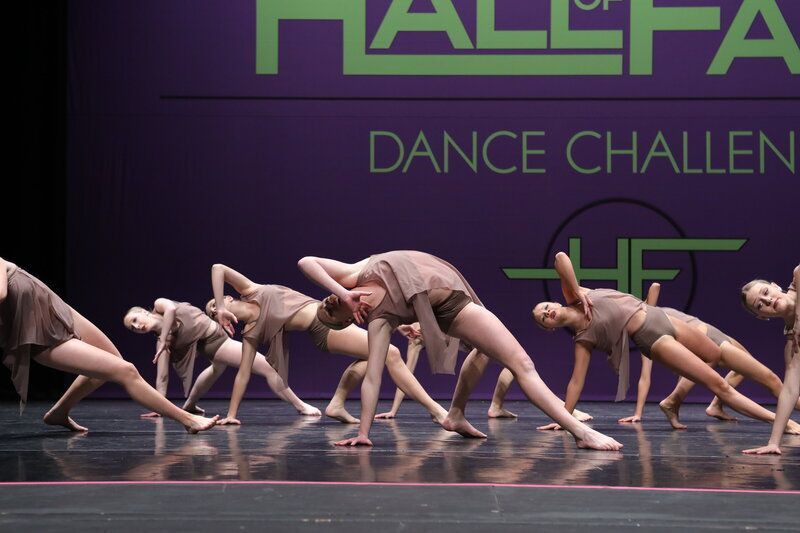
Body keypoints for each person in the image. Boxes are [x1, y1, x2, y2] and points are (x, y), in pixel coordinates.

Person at [297, 250, 622, 450]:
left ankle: (455, 414)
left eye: (324, 304)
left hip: (455, 295)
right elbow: (372, 379)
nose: (326, 304)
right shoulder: (379, 323)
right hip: (449, 312)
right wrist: (364, 433)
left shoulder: (357, 273)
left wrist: (342, 291)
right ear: (347, 320)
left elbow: (306, 262)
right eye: (329, 313)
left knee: (505, 358)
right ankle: (580, 431)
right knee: (520, 363)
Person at [533, 252, 800, 435]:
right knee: (717, 383)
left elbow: (560, 258)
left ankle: (676, 400)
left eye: (545, 308)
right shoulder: (582, 339)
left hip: (661, 316)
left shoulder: (575, 295)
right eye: (543, 319)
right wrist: (564, 418)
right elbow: (576, 382)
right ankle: (780, 421)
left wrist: (577, 288)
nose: (547, 313)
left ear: (554, 302)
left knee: (715, 354)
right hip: (653, 337)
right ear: (549, 328)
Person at [207, 263, 448, 426]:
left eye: (214, 306)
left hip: (330, 315)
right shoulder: (251, 331)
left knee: (371, 357)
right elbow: (243, 374)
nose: (215, 311)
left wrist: (219, 305)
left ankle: (337, 403)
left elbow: (218, 268)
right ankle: (435, 410)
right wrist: (231, 415)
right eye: (211, 314)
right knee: (390, 353)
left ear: (227, 298)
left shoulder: (251, 290)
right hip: (322, 327)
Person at [0, 257, 218, 433]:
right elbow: (2, 293)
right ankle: (186, 419)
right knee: (126, 371)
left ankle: (60, 411)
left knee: (113, 357)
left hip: (49, 303)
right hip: (36, 330)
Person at [612, 284, 798, 428]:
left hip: (709, 331)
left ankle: (713, 405)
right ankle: (673, 400)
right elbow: (646, 375)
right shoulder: (644, 331)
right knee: (771, 380)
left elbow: (655, 287)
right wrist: (638, 413)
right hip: (707, 334)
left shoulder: (645, 311)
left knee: (744, 368)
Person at [124, 299, 321, 417]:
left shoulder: (160, 305)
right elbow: (163, 377)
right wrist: (159, 406)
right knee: (266, 366)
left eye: (135, 320)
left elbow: (172, 310)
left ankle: (190, 404)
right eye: (132, 329)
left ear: (143, 312)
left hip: (217, 334)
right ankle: (300, 405)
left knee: (215, 369)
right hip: (217, 344)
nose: (137, 327)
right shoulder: (162, 342)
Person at [742, 264, 800, 455]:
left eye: (766, 292)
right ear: (761, 316)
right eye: (760, 305)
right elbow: (790, 390)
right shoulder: (793, 345)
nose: (768, 300)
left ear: (775, 285)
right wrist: (774, 442)